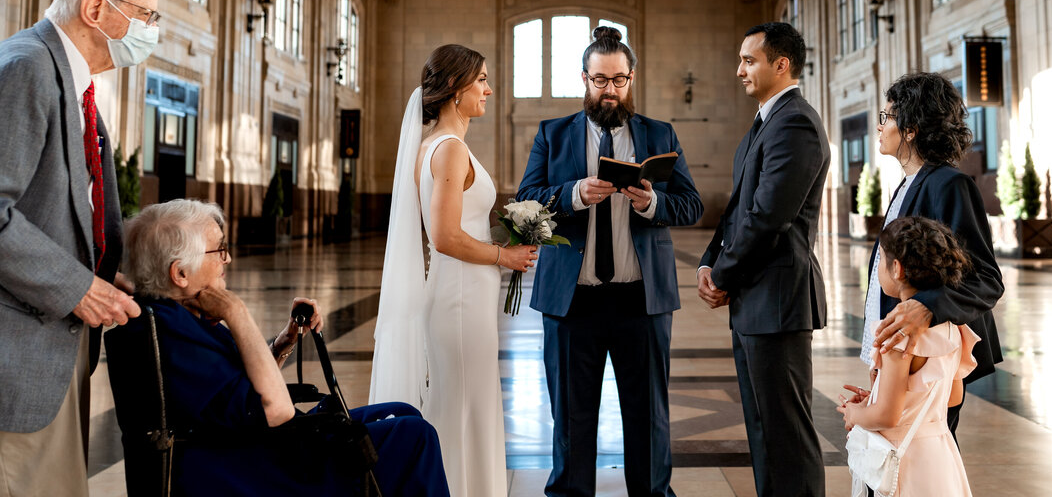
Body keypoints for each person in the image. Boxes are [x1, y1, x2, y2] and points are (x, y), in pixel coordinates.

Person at [104, 199, 450, 496]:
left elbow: (237, 394)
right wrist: (237, 314)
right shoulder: (174, 332)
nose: (227, 259)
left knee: (405, 412)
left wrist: (281, 344)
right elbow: (276, 411)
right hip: (253, 468)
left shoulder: (174, 317)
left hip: (252, 446)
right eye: (219, 249)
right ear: (180, 273)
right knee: (414, 436)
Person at [517, 26, 703, 497]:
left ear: (631, 79)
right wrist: (573, 194)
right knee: (572, 419)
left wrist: (651, 204)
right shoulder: (552, 134)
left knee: (648, 418)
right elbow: (525, 203)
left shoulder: (660, 134)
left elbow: (691, 204)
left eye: (619, 80)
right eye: (600, 80)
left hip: (642, 302)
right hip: (570, 302)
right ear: (584, 78)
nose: (610, 91)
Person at [0, 0, 157, 497]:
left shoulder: (72, 79)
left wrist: (101, 269)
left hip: (56, 336)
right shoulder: (27, 69)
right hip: (20, 340)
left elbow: (59, 202)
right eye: (144, 15)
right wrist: (76, 285)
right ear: (96, 9)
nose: (149, 31)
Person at [369, 44, 538, 497]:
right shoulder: (448, 150)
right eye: (480, 79)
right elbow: (443, 236)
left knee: (469, 406)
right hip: (459, 299)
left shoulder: (439, 145)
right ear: (453, 88)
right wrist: (507, 256)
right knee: (461, 408)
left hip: (465, 296)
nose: (488, 88)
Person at [697, 22, 829, 497]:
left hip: (777, 301)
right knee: (764, 431)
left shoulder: (795, 121)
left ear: (781, 64)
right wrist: (709, 263)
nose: (739, 70)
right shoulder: (767, 122)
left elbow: (769, 217)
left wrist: (725, 275)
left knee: (786, 434)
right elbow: (739, 209)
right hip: (756, 301)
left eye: (749, 60)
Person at [864, 72, 1004, 437]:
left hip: (930, 357)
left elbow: (987, 279)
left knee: (926, 455)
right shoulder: (908, 183)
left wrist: (927, 306)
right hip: (903, 354)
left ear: (910, 129)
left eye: (887, 118)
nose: (879, 127)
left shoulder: (949, 184)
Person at [839, 216, 979, 497]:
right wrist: (877, 395)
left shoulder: (898, 335)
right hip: (939, 455)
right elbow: (952, 398)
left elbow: (887, 416)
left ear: (896, 268)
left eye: (880, 259)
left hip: (903, 461)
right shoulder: (954, 327)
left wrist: (856, 413)